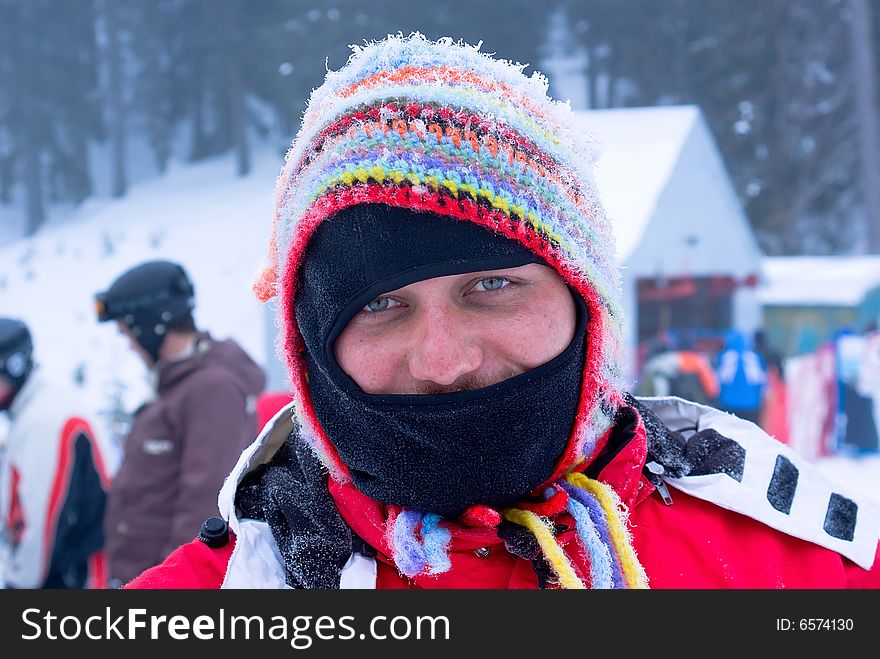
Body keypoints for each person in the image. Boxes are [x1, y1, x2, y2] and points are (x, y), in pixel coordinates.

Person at [127, 35, 880, 589]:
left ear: (585, 300)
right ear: (310, 350)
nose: (445, 359)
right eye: (381, 305)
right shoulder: (222, 589)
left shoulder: (800, 562)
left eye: (491, 286)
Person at [94, 260, 266, 587]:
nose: (129, 345)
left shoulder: (210, 389)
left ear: (149, 325)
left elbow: (203, 506)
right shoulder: (178, 384)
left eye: (127, 333)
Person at [0, 317, 109, 588]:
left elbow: (39, 526)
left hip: (74, 580)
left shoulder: (43, 421)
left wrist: (16, 583)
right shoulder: (36, 410)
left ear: (12, 368)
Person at [714, 329, 768, 424]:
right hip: (751, 404)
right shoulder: (755, 357)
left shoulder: (724, 356)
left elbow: (718, 381)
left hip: (728, 403)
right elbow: (761, 382)